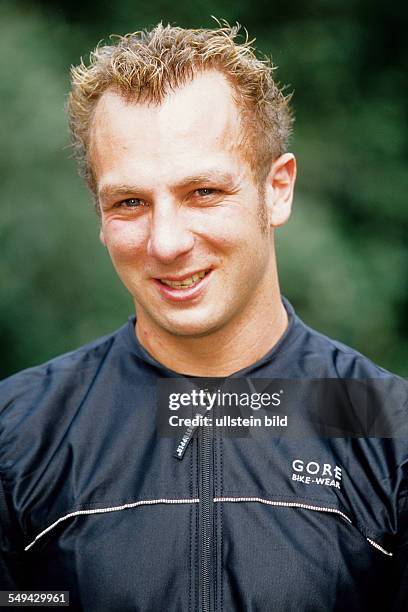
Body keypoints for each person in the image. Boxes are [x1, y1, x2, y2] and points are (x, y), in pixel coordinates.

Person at [0, 22, 407, 611]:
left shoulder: (384, 427)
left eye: (204, 192)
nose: (165, 242)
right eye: (130, 202)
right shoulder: (20, 435)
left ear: (278, 189)